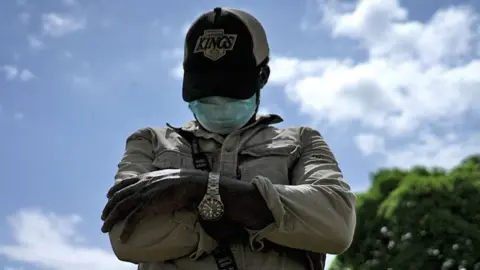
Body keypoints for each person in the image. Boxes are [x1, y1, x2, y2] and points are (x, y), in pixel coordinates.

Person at [101, 7, 356, 270]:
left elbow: (336, 224)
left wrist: (198, 187)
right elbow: (127, 236)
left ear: (263, 76)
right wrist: (264, 218)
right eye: (206, 87)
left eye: (230, 86)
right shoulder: (149, 142)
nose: (218, 97)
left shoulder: (303, 141)